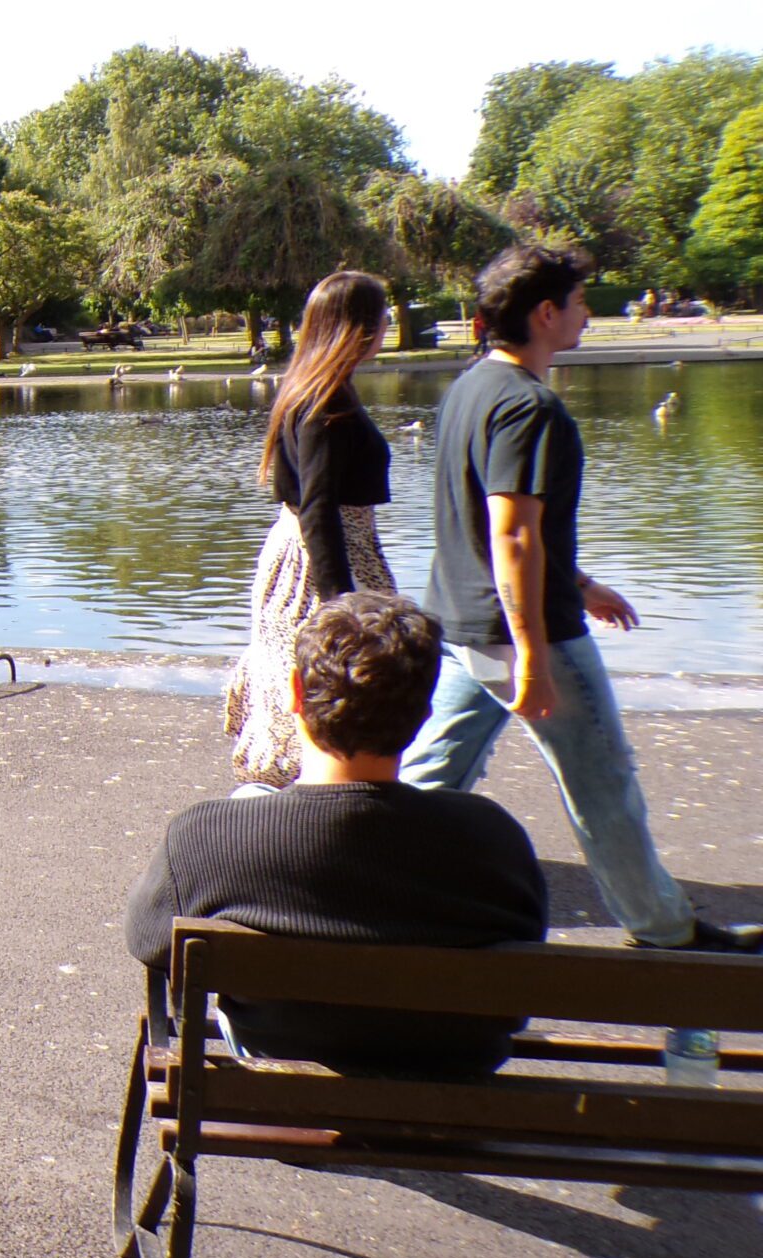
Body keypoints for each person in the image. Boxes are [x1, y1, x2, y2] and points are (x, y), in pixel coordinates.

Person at [400, 247, 753, 952]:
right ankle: (662, 929)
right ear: (545, 313)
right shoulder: (530, 407)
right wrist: (533, 647)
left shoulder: (470, 388)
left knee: (432, 779)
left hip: (466, 626)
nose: (589, 314)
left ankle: (354, 879)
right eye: (581, 301)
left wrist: (581, 584)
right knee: (603, 783)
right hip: (528, 636)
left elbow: (490, 523)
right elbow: (512, 535)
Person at [131, 593, 548, 1075]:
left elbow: (150, 941)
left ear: (294, 692)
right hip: (453, 1076)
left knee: (248, 797)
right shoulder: (495, 838)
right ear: (425, 711)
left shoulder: (206, 836)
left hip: (280, 1081)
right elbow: (523, 959)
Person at [224, 270, 395, 788]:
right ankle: (296, 813)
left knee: (319, 695)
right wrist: (340, 605)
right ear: (358, 327)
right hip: (322, 560)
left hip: (305, 552)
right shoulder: (327, 402)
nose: (388, 324)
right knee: (336, 689)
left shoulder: (314, 388)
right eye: (382, 316)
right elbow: (319, 507)